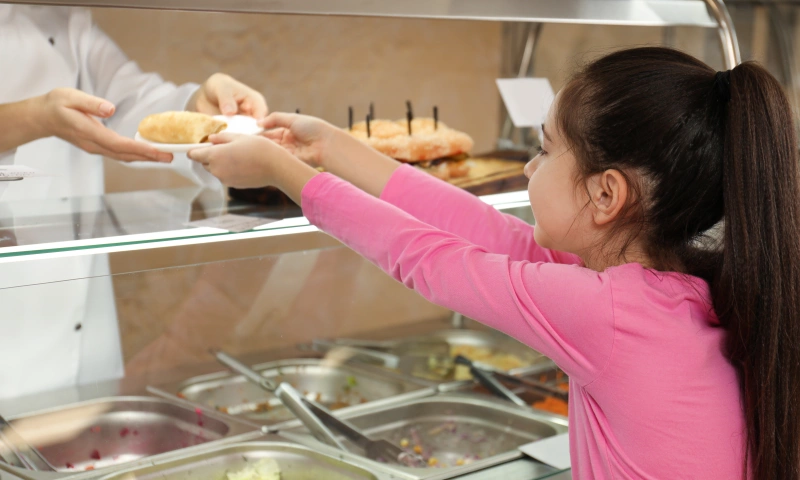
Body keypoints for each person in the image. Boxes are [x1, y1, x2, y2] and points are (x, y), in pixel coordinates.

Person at [190, 47, 800, 479]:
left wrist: (283, 173)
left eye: (543, 149)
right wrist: (331, 148)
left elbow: (427, 259)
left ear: (607, 195)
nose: (529, 169)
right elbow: (490, 234)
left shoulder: (605, 311)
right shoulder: (676, 282)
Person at [0, 5, 266, 400]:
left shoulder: (63, 18)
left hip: (85, 334)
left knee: (88, 446)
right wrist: (34, 117)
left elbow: (129, 103)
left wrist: (198, 105)